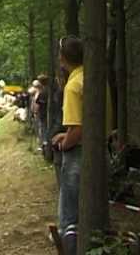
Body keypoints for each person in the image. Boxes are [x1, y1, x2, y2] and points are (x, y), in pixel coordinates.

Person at [52, 36, 84, 249]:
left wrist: (63, 143)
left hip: (78, 155)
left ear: (63, 58)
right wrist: (69, 134)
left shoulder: (73, 86)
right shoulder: (93, 78)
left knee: (69, 214)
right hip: (97, 148)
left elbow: (78, 130)